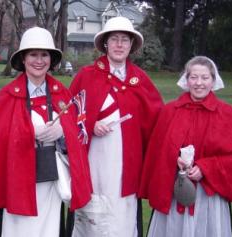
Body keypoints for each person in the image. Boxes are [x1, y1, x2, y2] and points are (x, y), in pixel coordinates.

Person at [0, 26, 92, 237]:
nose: (39, 60)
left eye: (44, 55)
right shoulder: (7, 96)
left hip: (51, 182)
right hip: (16, 182)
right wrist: (28, 133)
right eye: (33, 54)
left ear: (51, 59)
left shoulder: (61, 93)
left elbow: (77, 137)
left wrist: (62, 133)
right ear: (23, 59)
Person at [68, 16, 164, 237]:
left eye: (124, 40)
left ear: (131, 46)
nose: (119, 45)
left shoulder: (140, 80)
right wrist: (91, 124)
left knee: (122, 213)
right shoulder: (87, 76)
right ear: (105, 44)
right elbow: (70, 115)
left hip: (126, 165)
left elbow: (158, 121)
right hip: (94, 159)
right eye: (114, 39)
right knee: (93, 208)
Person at [139, 56, 232, 237]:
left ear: (213, 81)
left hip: (208, 195)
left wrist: (205, 168)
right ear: (186, 79)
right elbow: (157, 150)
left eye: (205, 78)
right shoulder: (169, 112)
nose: (199, 83)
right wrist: (175, 160)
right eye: (194, 77)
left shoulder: (228, 115)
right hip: (175, 191)